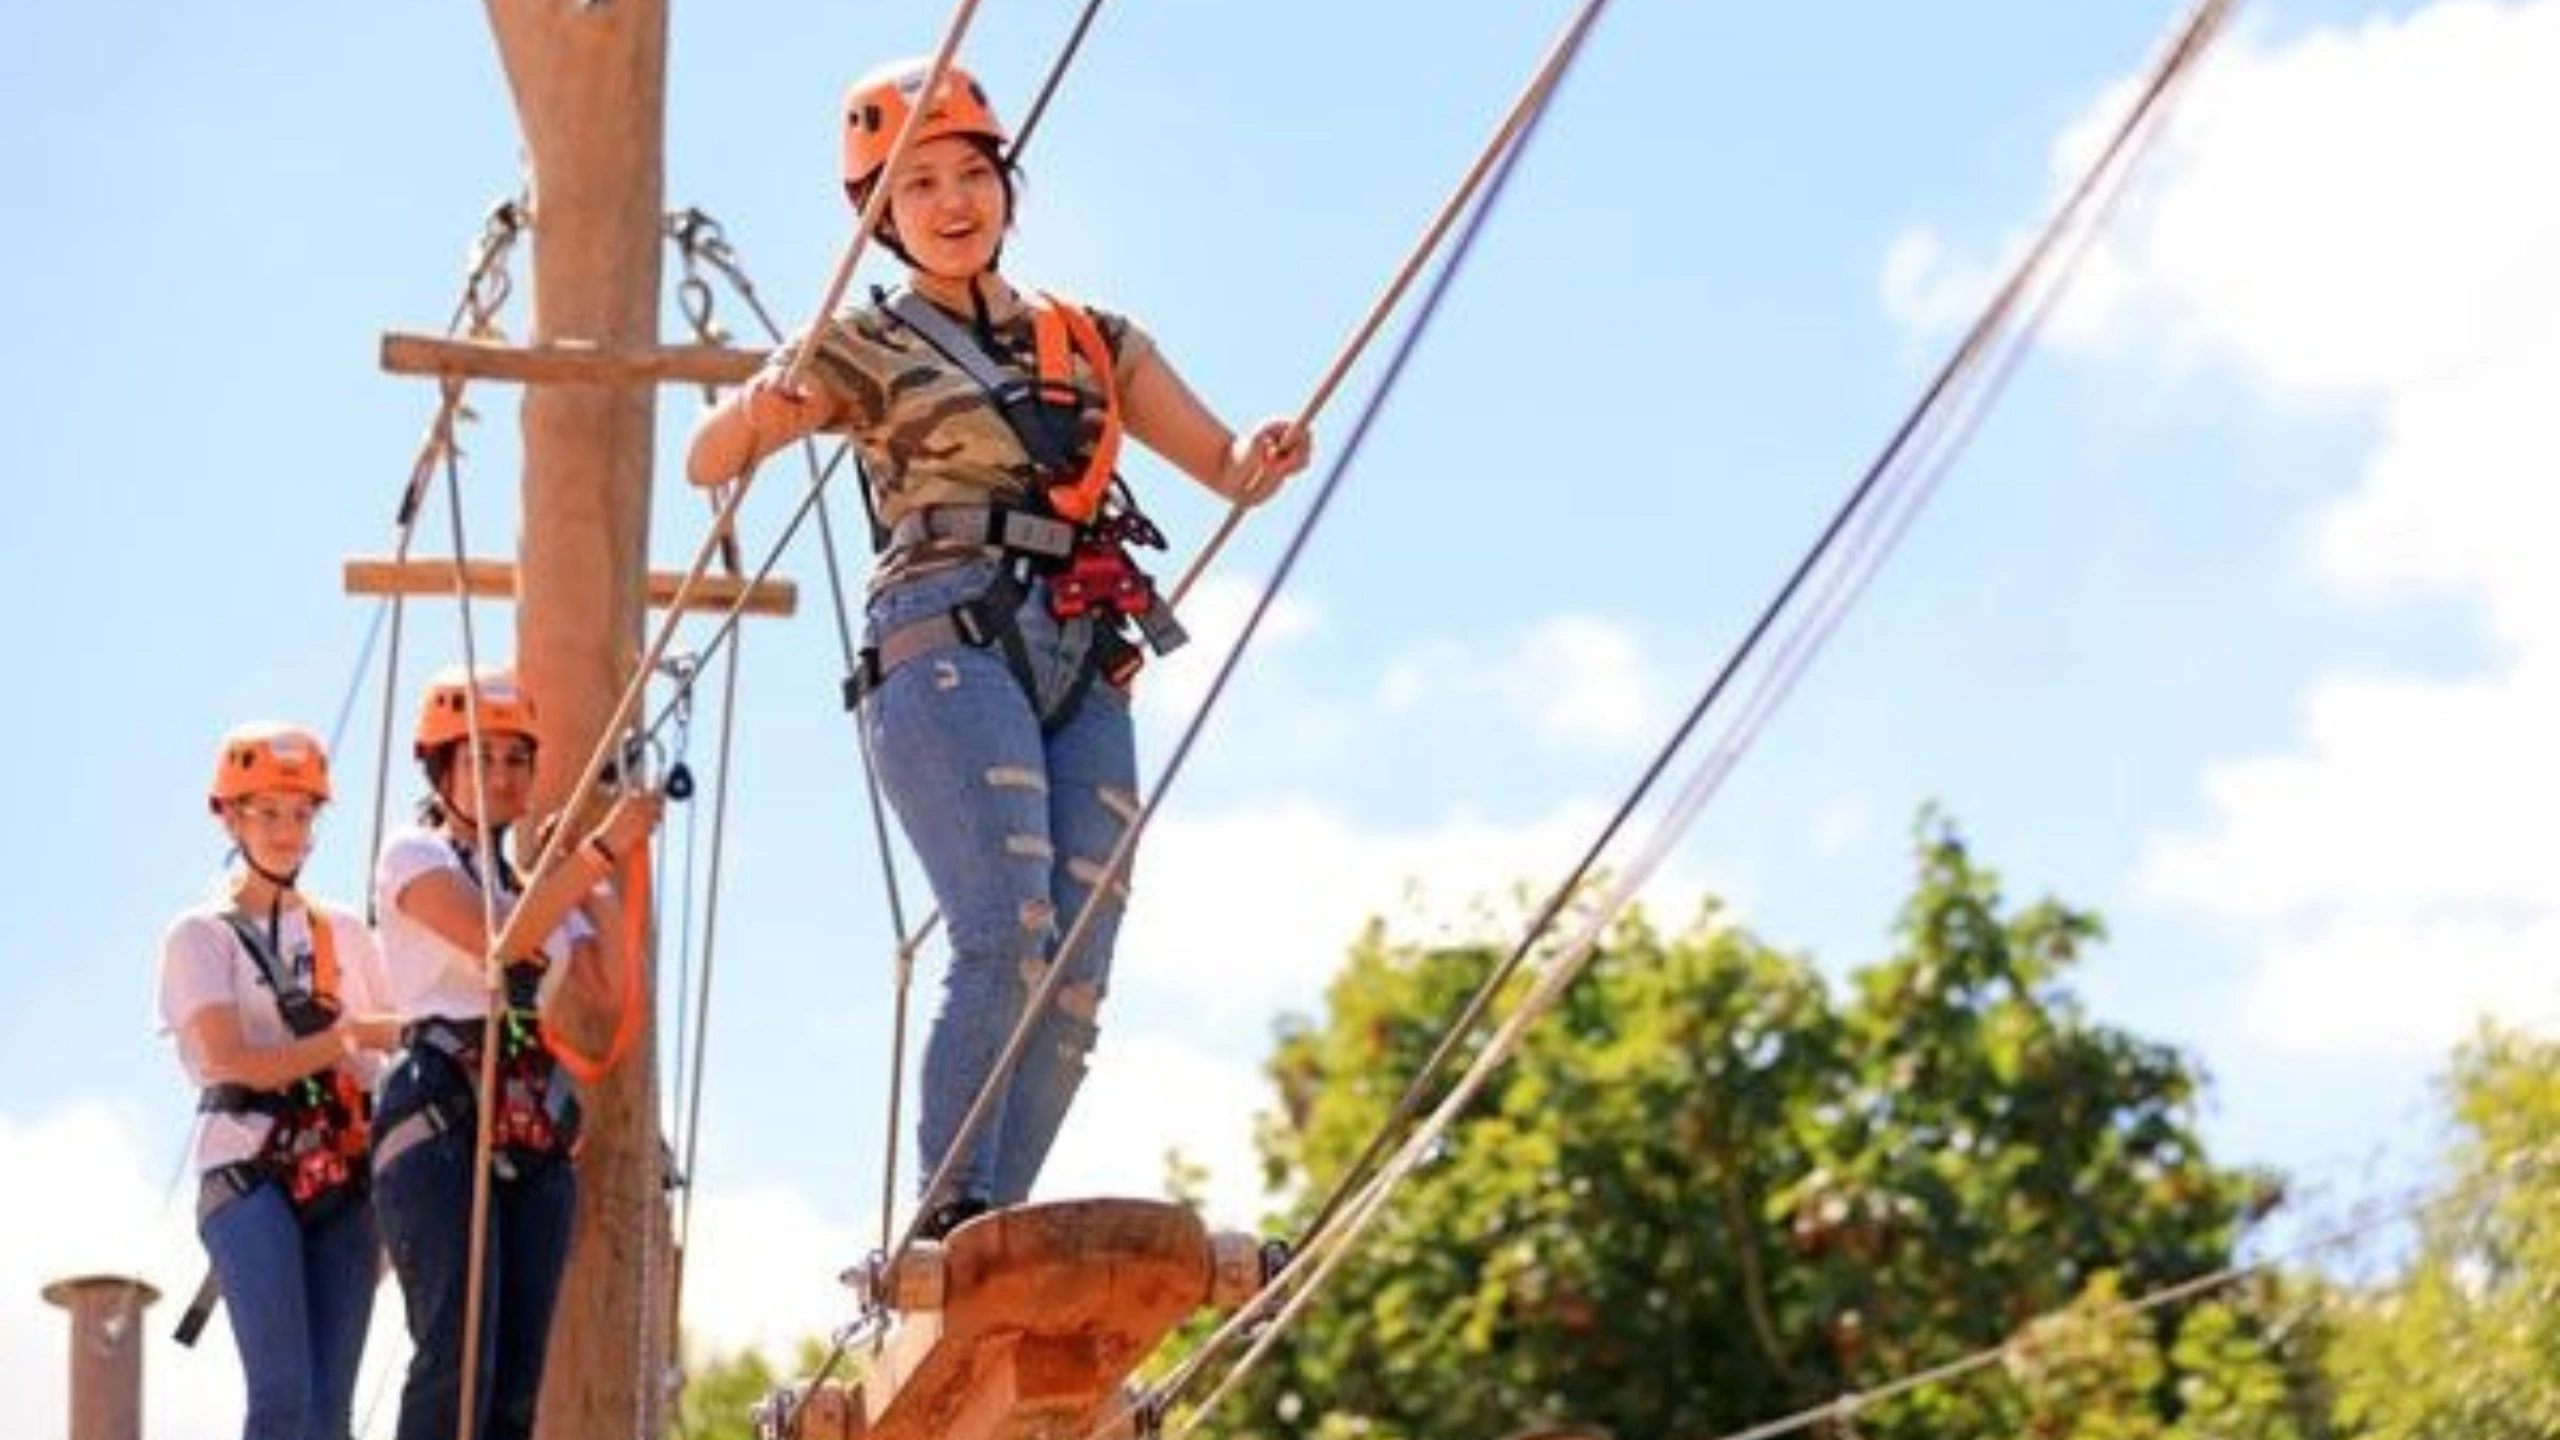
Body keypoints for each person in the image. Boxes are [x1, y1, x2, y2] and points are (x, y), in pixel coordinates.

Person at [686, 57, 1313, 1237]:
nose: (951, 201)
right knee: (1003, 928)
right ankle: (946, 1218)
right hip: (946, 632)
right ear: (879, 218)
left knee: (1076, 971)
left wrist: (1265, 454)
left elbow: (1228, 471)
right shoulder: (860, 347)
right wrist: (766, 405)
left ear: (1008, 186)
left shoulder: (1094, 340)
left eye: (970, 173)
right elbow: (708, 461)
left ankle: (992, 1233)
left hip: (1080, 641)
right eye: (914, 186)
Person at [367, 665, 662, 1440]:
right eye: (480, 758)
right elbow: (499, 942)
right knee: (457, 1356)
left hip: (528, 1121)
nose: (501, 775)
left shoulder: (528, 881)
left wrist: (585, 871)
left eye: (515, 760)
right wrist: (595, 854)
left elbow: (607, 986)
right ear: (442, 770)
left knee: (516, 1381)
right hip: (440, 1106)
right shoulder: (414, 857)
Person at [158, 721, 404, 1440]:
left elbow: (395, 1048)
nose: (287, 831)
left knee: (330, 1416)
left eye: (301, 814)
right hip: (247, 1174)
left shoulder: (347, 937)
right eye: (267, 812)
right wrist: (349, 1034)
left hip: (341, 1179)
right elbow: (231, 1058)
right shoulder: (199, 937)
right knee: (283, 1399)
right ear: (230, 818)